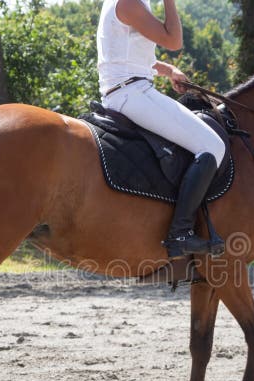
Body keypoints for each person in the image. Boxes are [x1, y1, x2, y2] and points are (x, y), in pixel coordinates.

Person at [97, 0, 226, 258]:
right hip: (131, 93)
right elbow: (174, 41)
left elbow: (128, 52)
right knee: (212, 146)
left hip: (131, 89)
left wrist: (167, 70)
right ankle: (180, 234)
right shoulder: (129, 2)